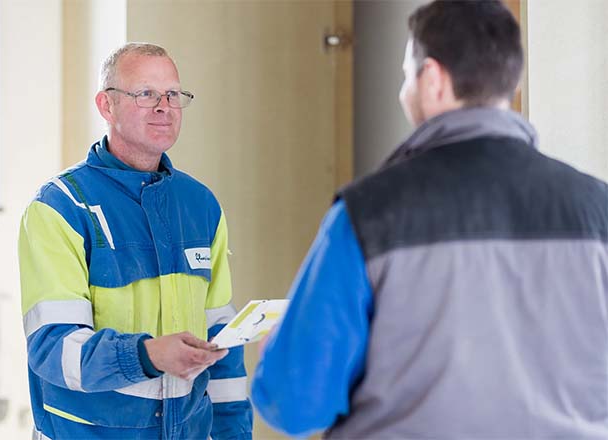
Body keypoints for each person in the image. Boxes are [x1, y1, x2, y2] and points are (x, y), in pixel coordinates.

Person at [252, 1, 608, 438]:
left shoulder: (368, 213)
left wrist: (278, 356)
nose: (404, 91)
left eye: (407, 75)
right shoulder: (597, 208)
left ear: (433, 80)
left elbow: (295, 404)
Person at [19, 43, 252, 440]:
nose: (164, 106)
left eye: (173, 94)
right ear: (106, 106)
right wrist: (147, 354)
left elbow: (222, 347)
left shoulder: (201, 206)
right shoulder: (60, 208)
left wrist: (236, 435)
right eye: (145, 93)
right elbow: (55, 352)